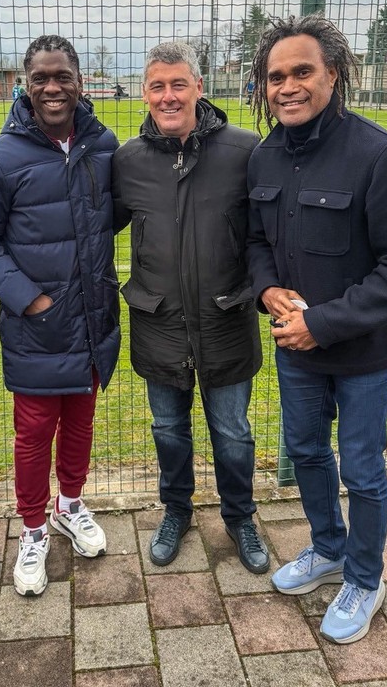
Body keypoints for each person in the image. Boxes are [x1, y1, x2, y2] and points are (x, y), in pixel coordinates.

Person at [245, 14, 387, 644]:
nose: (287, 86)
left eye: (302, 72)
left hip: (362, 355)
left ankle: (365, 576)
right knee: (304, 453)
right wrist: (268, 289)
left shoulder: (382, 156)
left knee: (362, 468)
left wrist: (320, 324)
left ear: (334, 74)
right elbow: (256, 241)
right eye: (276, 76)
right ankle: (327, 549)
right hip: (295, 350)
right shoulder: (266, 153)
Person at [0, 34, 120, 597]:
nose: (53, 87)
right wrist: (28, 298)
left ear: (80, 81)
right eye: (41, 78)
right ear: (24, 86)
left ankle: (69, 506)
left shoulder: (105, 147)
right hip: (39, 324)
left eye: (63, 77)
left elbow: (113, 218)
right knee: (33, 434)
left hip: (94, 318)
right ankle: (32, 528)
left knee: (81, 422)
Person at [112, 41, 269, 573]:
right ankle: (176, 511)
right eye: (157, 86)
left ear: (199, 88)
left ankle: (240, 516)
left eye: (179, 84)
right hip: (158, 322)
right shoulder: (127, 160)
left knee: (233, 431)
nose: (168, 95)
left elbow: (269, 235)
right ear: (145, 92)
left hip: (227, 319)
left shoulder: (246, 151)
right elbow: (92, 229)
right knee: (167, 429)